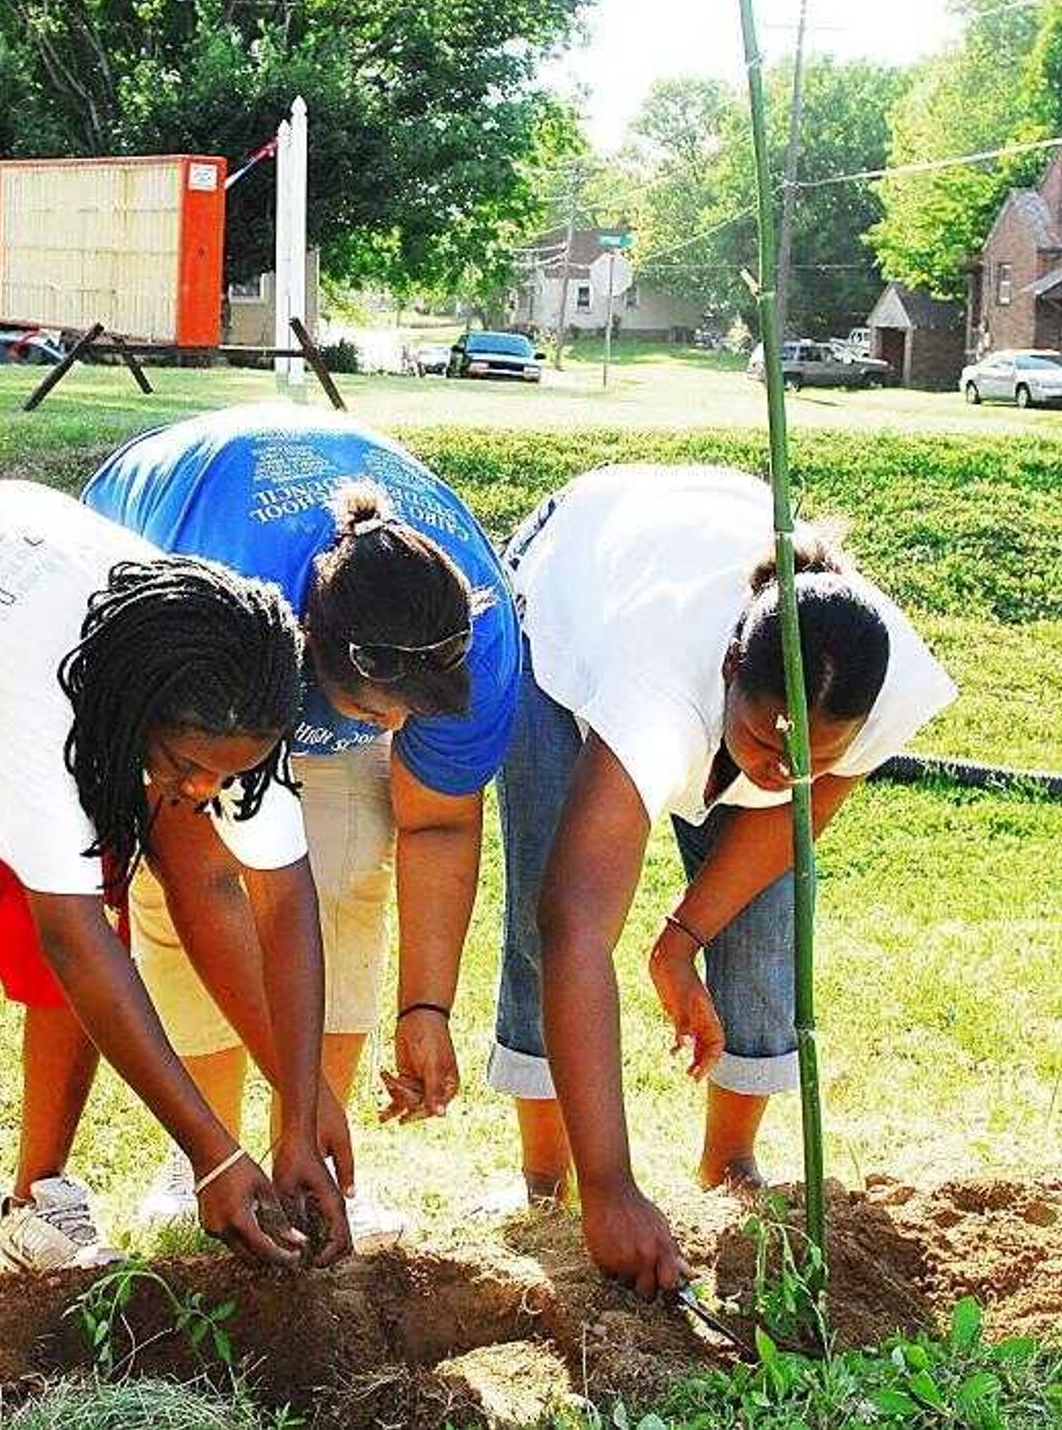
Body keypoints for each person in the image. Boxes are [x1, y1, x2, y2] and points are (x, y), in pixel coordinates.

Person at [0, 479, 358, 1288]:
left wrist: (300, 1111)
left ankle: (39, 1192)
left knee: (86, 917)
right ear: (133, 717)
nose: (205, 791)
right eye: (187, 767)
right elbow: (73, 936)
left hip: (16, 637)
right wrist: (213, 1155)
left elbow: (272, 895)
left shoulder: (230, 678)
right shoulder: (41, 691)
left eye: (223, 774)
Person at [489, 464, 956, 1297]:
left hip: (687, 548)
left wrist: (681, 941)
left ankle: (730, 1161)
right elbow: (575, 923)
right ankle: (550, 1177)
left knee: (766, 920)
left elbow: (793, 815)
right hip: (568, 592)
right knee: (539, 914)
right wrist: (613, 1187)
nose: (784, 771)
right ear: (732, 667)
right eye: (766, 742)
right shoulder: (656, 686)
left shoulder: (875, 670)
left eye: (813, 756)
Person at [83, 403, 520, 1245]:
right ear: (310, 643)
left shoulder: (480, 639)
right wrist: (298, 1085)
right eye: (371, 708)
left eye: (409, 714)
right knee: (174, 905)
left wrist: (424, 1007)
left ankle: (315, 1157)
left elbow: (435, 826)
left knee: (349, 868)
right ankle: (203, 1154)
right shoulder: (226, 590)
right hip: (181, 587)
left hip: (324, 630)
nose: (393, 729)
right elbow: (201, 872)